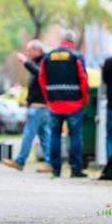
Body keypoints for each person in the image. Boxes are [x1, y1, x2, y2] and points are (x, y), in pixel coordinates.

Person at [39, 30, 89, 178]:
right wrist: (84, 99)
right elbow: (83, 79)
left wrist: (48, 98)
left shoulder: (48, 57)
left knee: (55, 135)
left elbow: (42, 79)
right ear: (72, 42)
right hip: (74, 104)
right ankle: (75, 169)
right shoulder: (76, 56)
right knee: (75, 136)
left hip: (54, 104)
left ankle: (55, 169)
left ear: (61, 41)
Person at [2, 39, 51, 172]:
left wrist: (25, 62)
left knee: (29, 134)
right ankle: (50, 163)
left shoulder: (43, 62)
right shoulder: (40, 62)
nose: (27, 53)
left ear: (37, 50)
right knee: (45, 136)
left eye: (29, 50)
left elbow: (39, 73)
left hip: (39, 107)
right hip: (41, 106)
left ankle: (20, 161)